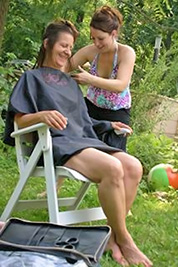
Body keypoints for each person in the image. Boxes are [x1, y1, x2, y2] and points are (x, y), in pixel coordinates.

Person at [4, 19, 152, 267]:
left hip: (82, 141)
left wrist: (108, 126)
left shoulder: (70, 83)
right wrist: (41, 116)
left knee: (134, 166)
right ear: (47, 44)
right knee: (113, 168)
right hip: (57, 145)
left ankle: (111, 237)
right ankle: (124, 240)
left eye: (70, 47)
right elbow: (19, 120)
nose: (67, 52)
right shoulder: (31, 78)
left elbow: (82, 120)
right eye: (63, 45)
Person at [67, 5, 135, 151]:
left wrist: (90, 79)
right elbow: (64, 67)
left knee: (113, 159)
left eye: (101, 38)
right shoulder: (90, 51)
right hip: (90, 110)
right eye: (93, 38)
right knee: (82, 153)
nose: (97, 43)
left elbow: (120, 85)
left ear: (114, 33)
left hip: (117, 114)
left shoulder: (126, 53)